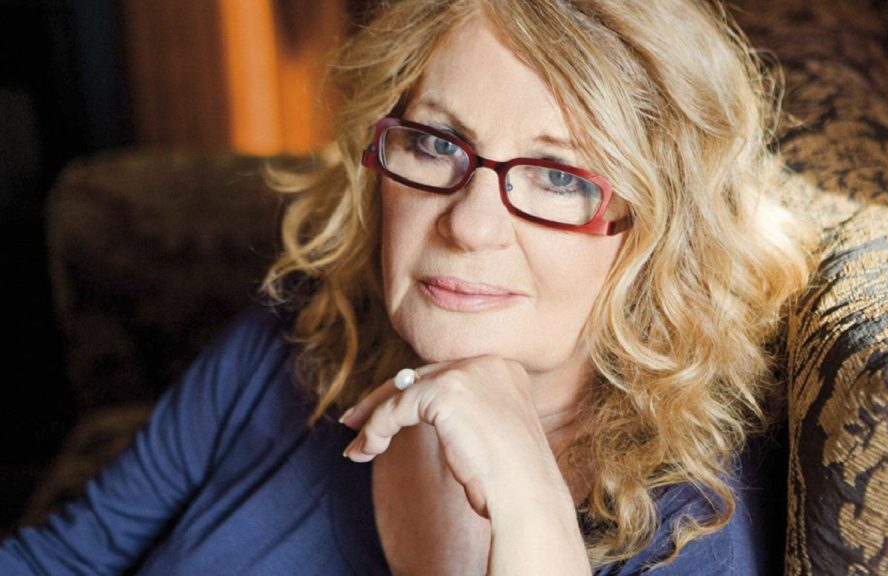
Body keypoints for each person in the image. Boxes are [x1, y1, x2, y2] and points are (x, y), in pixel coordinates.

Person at [0, 0, 813, 573]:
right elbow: (59, 560)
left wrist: (529, 502)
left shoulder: (697, 526)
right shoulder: (301, 333)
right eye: (435, 143)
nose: (470, 225)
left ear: (656, 228)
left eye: (559, 176)